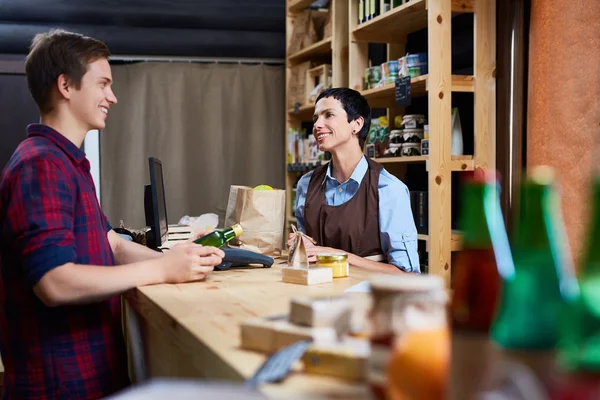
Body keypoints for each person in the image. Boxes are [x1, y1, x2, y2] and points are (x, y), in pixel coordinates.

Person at [0, 29, 224, 399]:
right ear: (66, 86)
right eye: (103, 84)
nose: (112, 97)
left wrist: (180, 261)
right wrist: (162, 270)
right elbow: (54, 282)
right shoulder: (41, 165)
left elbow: (113, 247)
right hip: (61, 382)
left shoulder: (68, 162)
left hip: (91, 369)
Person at [290, 88, 420, 274]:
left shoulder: (388, 189)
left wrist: (338, 256)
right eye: (316, 118)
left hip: (365, 300)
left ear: (356, 124)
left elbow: (407, 275)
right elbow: (309, 252)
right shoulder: (306, 184)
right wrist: (300, 245)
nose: (317, 125)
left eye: (328, 115)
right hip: (317, 296)